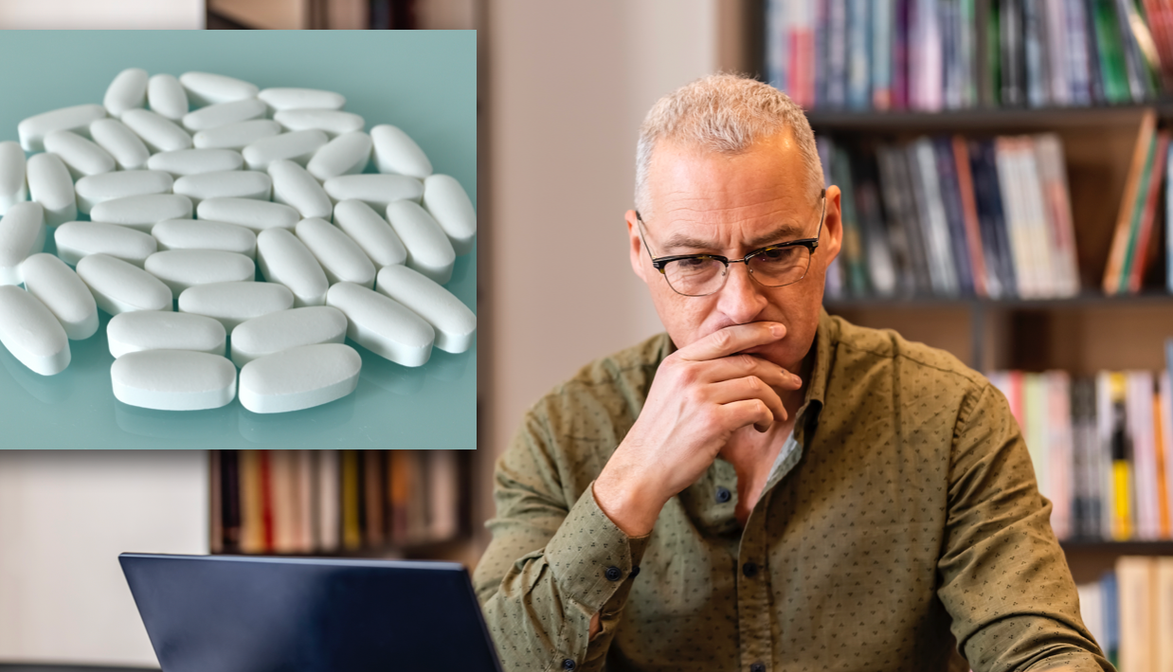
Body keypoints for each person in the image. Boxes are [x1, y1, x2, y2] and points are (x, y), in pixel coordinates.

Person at [472, 74, 1112, 672]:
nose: (741, 303)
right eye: (695, 261)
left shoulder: (950, 417)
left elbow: (1038, 648)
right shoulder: (563, 434)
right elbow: (488, 658)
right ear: (641, 250)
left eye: (776, 252)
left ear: (829, 227)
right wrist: (629, 486)